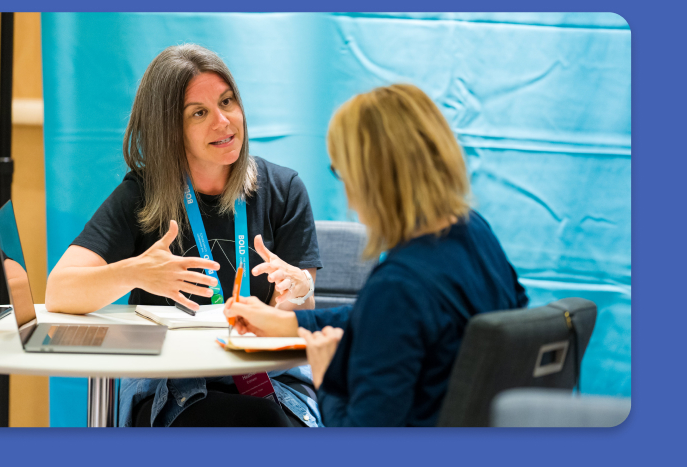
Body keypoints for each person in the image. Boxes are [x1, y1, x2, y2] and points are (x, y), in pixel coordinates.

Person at [44, 44, 323, 427]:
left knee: (261, 419)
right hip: (176, 387)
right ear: (170, 130)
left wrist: (298, 292)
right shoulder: (142, 194)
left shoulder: (283, 189)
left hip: (272, 384)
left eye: (227, 102)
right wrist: (136, 272)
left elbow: (290, 320)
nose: (224, 122)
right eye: (200, 113)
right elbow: (59, 290)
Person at [224, 84, 529, 426]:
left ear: (369, 178)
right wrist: (291, 323)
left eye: (342, 173)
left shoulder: (399, 286)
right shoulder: (477, 235)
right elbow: (386, 326)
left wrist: (325, 383)